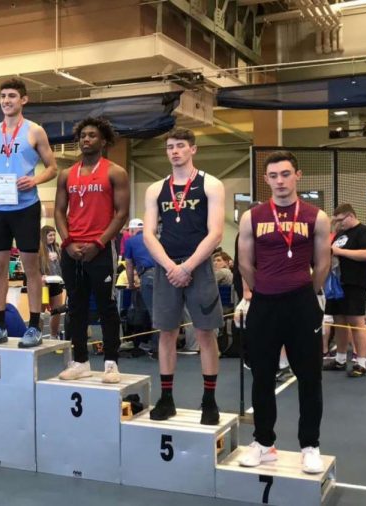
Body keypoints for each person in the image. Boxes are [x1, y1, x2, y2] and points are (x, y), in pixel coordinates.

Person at [236, 150, 331, 474]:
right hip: (264, 304)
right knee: (262, 375)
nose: (280, 181)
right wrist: (261, 288)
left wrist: (307, 291)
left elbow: (323, 263)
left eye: (286, 174)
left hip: (302, 304)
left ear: (297, 175)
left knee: (309, 377)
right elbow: (245, 263)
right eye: (274, 176)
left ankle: (310, 445)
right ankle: (264, 443)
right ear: (266, 180)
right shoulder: (253, 216)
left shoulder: (315, 216)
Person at [142, 127, 225, 425]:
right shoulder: (155, 189)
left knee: (205, 332)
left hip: (199, 266)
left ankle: (209, 400)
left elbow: (216, 232)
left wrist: (188, 267)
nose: (174, 151)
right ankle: (166, 399)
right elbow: (149, 234)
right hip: (167, 268)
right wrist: (170, 267)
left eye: (180, 146)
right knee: (166, 332)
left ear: (193, 149)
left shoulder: (210, 184)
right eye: (169, 147)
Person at [0, 78, 58, 348]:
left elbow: (52, 167)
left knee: (31, 268)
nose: (6, 100)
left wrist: (35, 180)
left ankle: (34, 326)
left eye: (11, 96)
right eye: (2, 96)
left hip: (25, 207)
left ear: (23, 100)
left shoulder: (35, 131)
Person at [53, 117, 130, 384]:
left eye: (92, 135)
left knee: (107, 306)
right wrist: (66, 242)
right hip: (72, 250)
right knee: (76, 307)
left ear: (104, 140)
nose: (86, 139)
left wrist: (99, 243)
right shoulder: (67, 174)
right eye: (83, 135)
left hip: (101, 249)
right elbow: (59, 211)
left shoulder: (115, 172)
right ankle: (80, 361)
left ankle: (111, 363)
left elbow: (122, 214)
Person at [322, 203, 366, 378]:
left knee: (356, 322)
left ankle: (361, 363)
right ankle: (340, 359)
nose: (338, 224)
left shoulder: (364, 232)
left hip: (354, 283)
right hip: (336, 284)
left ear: (350, 216)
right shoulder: (340, 234)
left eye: (340, 220)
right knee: (339, 322)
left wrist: (340, 252)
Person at [124, 218, 157, 351]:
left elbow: (129, 265)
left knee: (153, 313)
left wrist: (131, 284)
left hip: (147, 276)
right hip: (163, 275)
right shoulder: (154, 237)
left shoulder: (130, 241)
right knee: (163, 311)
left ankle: (155, 346)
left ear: (133, 230)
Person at [39, 225, 64, 338]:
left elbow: (62, 265)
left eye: (54, 235)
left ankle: (53, 335)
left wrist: (59, 257)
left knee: (57, 311)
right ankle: (37, 335)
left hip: (56, 282)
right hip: (43, 284)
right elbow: (33, 266)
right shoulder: (39, 249)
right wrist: (40, 276)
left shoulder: (57, 248)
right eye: (50, 235)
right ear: (44, 236)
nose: (52, 237)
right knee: (40, 312)